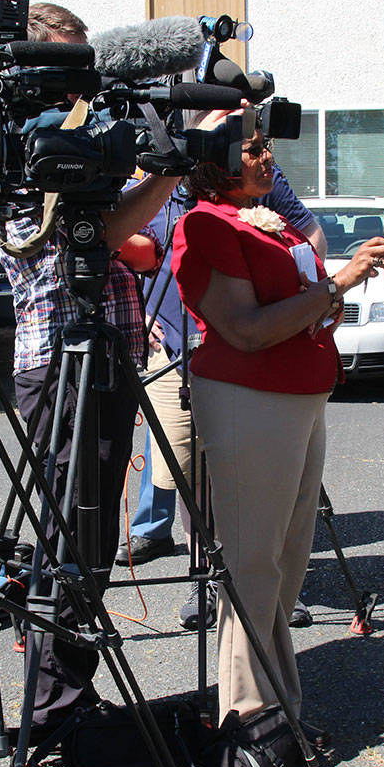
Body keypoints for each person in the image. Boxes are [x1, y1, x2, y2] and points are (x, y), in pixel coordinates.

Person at [0, 2, 229, 733]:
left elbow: (109, 227)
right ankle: (53, 705)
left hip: (103, 355)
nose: (81, 84)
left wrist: (171, 158)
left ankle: (69, 691)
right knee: (70, 538)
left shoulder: (84, 135)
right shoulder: (14, 146)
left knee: (91, 541)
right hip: (58, 363)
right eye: (67, 67)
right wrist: (164, 171)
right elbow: (78, 234)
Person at [172, 126, 384, 724]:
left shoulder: (269, 217)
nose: (266, 156)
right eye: (251, 149)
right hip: (250, 398)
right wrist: (334, 287)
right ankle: (245, 714)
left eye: (265, 144)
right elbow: (245, 329)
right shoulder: (206, 224)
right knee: (252, 561)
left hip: (301, 395)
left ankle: (277, 701)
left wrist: (333, 293)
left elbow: (305, 307)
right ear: (215, 162)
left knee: (289, 557)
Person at [116, 165, 325, 630]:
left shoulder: (265, 181)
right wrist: (142, 313)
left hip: (241, 357)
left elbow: (310, 235)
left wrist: (306, 294)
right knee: (190, 477)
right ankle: (206, 577)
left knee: (256, 477)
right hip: (171, 344)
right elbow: (122, 251)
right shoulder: (154, 183)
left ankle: (272, 585)